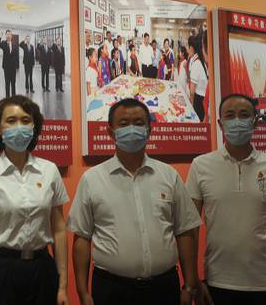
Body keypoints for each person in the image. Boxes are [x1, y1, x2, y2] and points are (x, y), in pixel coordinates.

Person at [68, 98, 202, 305]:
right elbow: (82, 238)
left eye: (139, 123)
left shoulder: (169, 176)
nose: (132, 129)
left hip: (163, 288)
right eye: (123, 123)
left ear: (149, 130)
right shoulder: (92, 179)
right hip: (112, 290)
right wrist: (83, 292)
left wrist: (190, 285)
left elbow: (184, 231)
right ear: (110, 132)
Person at [185, 94, 266, 305]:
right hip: (218, 282)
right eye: (230, 115)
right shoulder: (200, 166)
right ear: (220, 123)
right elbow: (190, 229)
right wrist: (192, 281)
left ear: (255, 122)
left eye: (244, 115)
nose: (237, 121)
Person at [0, 95, 70, 305]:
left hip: (42, 268)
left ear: (34, 127)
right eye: (11, 121)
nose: (19, 126)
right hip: (1, 268)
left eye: (26, 120)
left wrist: (62, 286)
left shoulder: (49, 170)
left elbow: (59, 229)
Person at [188, 35, 208, 122]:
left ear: (192, 48)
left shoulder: (196, 64)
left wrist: (191, 105)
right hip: (203, 98)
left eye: (188, 47)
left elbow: (192, 92)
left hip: (199, 100)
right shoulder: (201, 61)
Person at [0, 30, 20, 98]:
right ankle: (7, 97)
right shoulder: (3, 43)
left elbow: (17, 56)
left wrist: (17, 66)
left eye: (10, 34)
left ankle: (13, 97)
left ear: (11, 36)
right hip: (6, 67)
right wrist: (0, 36)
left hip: (13, 67)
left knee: (13, 83)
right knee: (7, 83)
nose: (8, 35)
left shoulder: (15, 44)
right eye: (7, 34)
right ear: (6, 35)